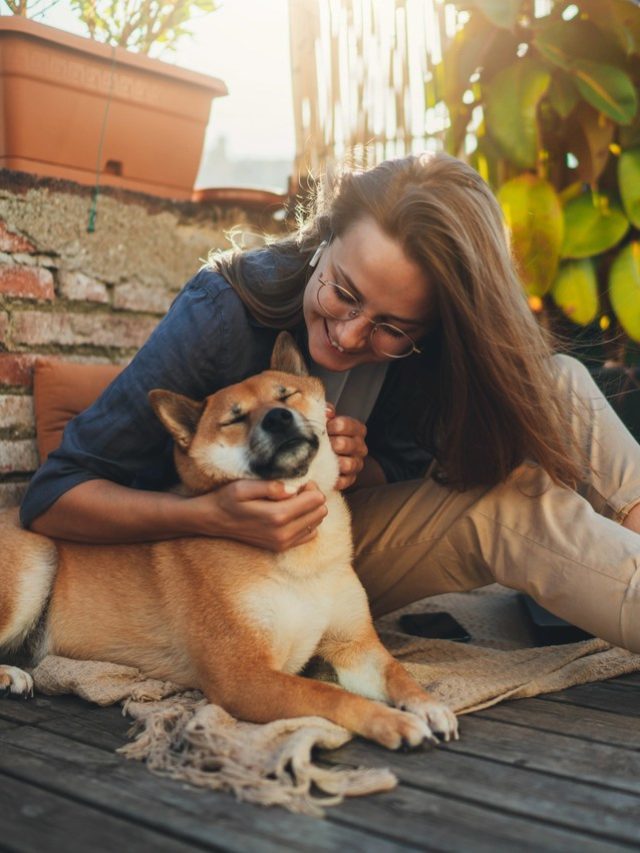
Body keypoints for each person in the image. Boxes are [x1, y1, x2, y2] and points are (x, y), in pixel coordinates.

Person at [20, 152, 640, 653]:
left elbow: (402, 470)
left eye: (392, 327)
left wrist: (359, 467)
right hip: (226, 573)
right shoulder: (222, 313)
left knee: (555, 377)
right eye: (343, 291)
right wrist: (210, 515)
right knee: (518, 510)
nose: (347, 335)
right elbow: (52, 499)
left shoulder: (428, 355)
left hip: (339, 549)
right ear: (325, 237)